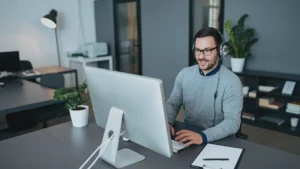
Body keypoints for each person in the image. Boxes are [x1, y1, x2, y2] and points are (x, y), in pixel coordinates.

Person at [167, 27, 243, 147]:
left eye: (207, 50)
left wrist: (203, 136)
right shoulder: (184, 74)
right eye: (198, 50)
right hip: (189, 135)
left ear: (220, 50)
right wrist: (168, 122)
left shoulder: (232, 82)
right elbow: (173, 103)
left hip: (218, 140)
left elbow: (232, 122)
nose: (201, 56)